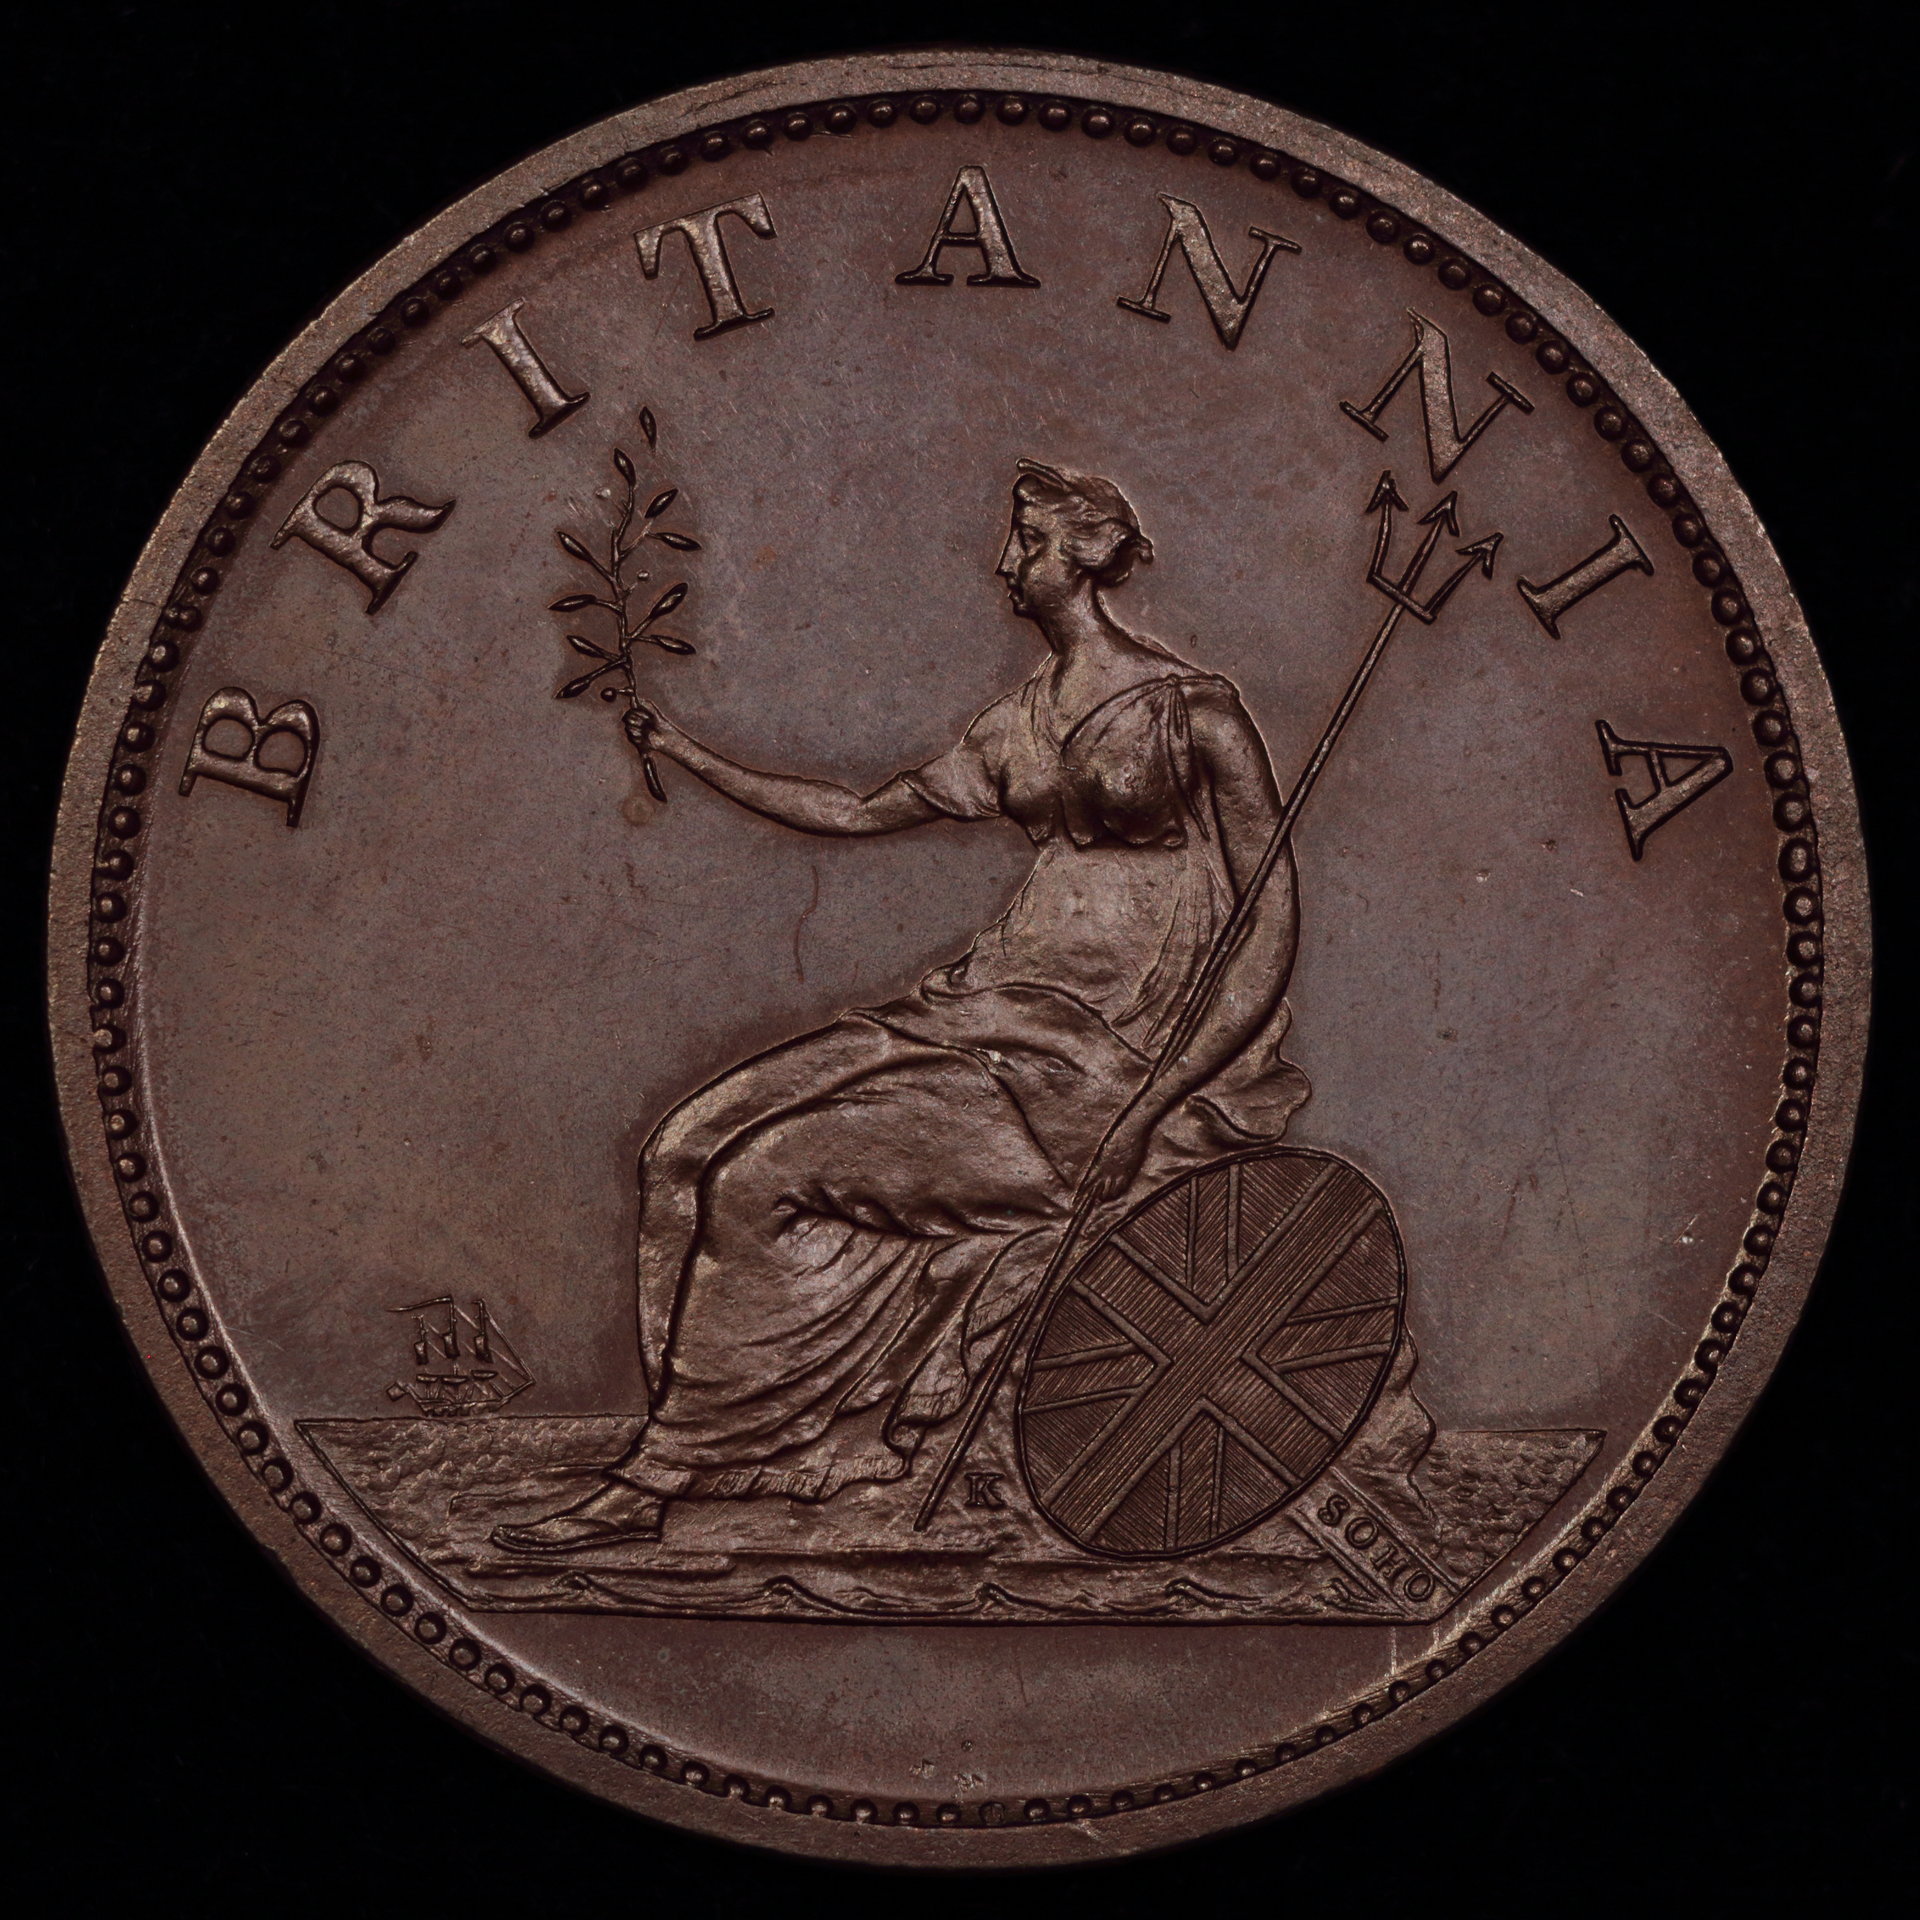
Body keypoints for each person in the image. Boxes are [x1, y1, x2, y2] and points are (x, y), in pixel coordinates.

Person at [495, 461, 1308, 1552]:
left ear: (1083, 554)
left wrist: (1158, 1099)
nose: (1004, 562)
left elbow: (1270, 919)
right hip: (975, 1016)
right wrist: (688, 755)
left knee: (757, 1177)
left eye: (1025, 541)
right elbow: (854, 810)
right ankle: (766, 1447)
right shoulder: (1016, 725)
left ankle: (665, 1477)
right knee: (681, 1150)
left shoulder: (1195, 712)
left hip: (1092, 1063)